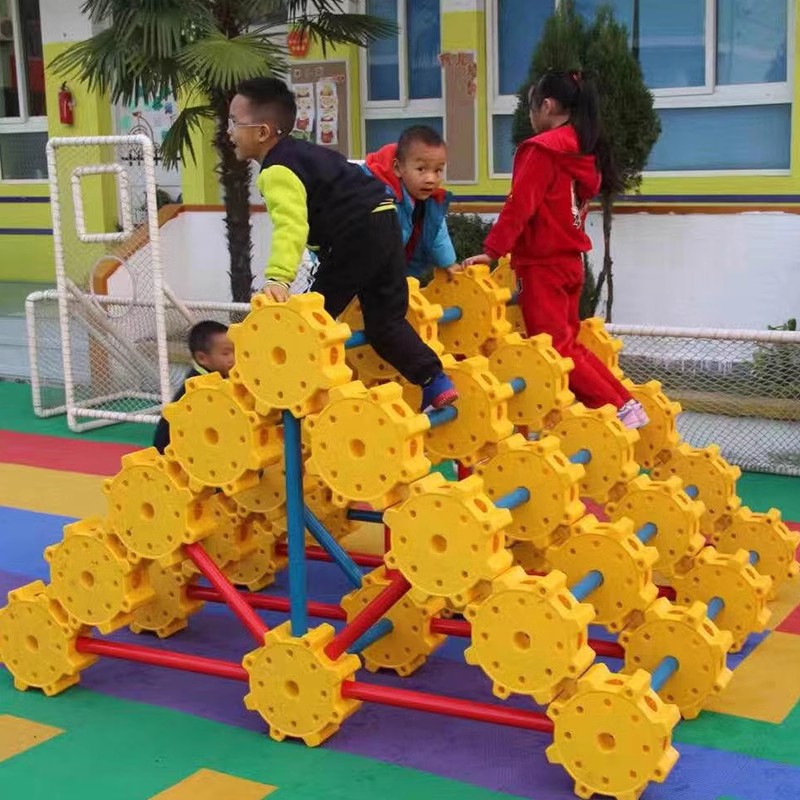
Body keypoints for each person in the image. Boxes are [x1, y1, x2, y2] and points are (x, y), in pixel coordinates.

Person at [228, 77, 458, 411]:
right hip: (385, 219)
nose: (229, 132)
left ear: (262, 132)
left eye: (234, 122)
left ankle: (295, 393)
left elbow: (291, 225)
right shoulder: (307, 153)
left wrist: (278, 277)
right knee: (386, 322)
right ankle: (433, 379)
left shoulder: (277, 170)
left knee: (312, 318)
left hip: (356, 234)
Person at [464, 70, 648, 430]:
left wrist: (492, 250)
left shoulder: (542, 149)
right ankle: (626, 403)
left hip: (542, 265)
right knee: (569, 344)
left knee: (552, 349)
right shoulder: (585, 150)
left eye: (530, 107)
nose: (529, 116)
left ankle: (617, 407)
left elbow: (520, 205)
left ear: (546, 106)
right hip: (570, 263)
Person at [361, 125, 459, 281]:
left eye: (437, 170)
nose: (430, 179)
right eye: (421, 169)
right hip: (359, 268)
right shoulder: (380, 197)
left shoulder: (430, 201)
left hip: (394, 271)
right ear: (398, 168)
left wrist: (449, 263)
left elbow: (436, 231)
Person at [152, 320, 235, 454]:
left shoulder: (218, 375)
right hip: (172, 451)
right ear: (202, 358)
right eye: (226, 353)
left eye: (235, 351)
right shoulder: (198, 386)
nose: (233, 358)